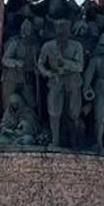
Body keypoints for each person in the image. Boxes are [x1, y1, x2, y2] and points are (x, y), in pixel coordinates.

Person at [37, 20, 84, 148]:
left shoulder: (76, 46)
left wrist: (65, 63)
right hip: (55, 80)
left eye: (64, 31)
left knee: (74, 113)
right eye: (59, 31)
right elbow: (40, 63)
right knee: (54, 112)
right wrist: (47, 73)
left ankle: (74, 141)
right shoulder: (48, 46)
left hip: (73, 81)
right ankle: (55, 141)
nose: (61, 34)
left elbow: (80, 66)